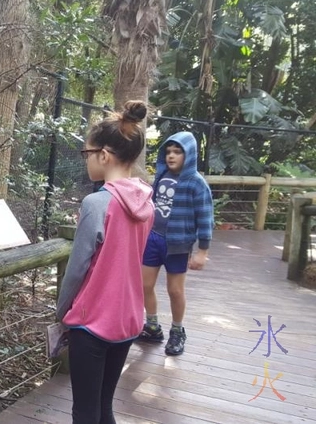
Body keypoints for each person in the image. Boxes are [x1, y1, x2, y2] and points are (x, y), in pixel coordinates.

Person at [56, 101, 155, 424]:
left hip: (93, 320)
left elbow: (78, 268)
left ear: (104, 155)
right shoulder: (146, 202)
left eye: (87, 154)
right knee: (104, 406)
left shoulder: (97, 203)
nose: (86, 161)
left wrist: (61, 313)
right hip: (128, 317)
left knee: (84, 410)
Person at [138, 131, 214, 356]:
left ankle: (177, 331)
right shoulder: (161, 175)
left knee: (175, 290)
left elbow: (205, 216)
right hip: (153, 240)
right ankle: (152, 326)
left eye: (177, 152)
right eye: (168, 151)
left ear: (188, 154)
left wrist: (202, 251)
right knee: (144, 285)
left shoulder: (196, 183)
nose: (171, 156)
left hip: (178, 244)